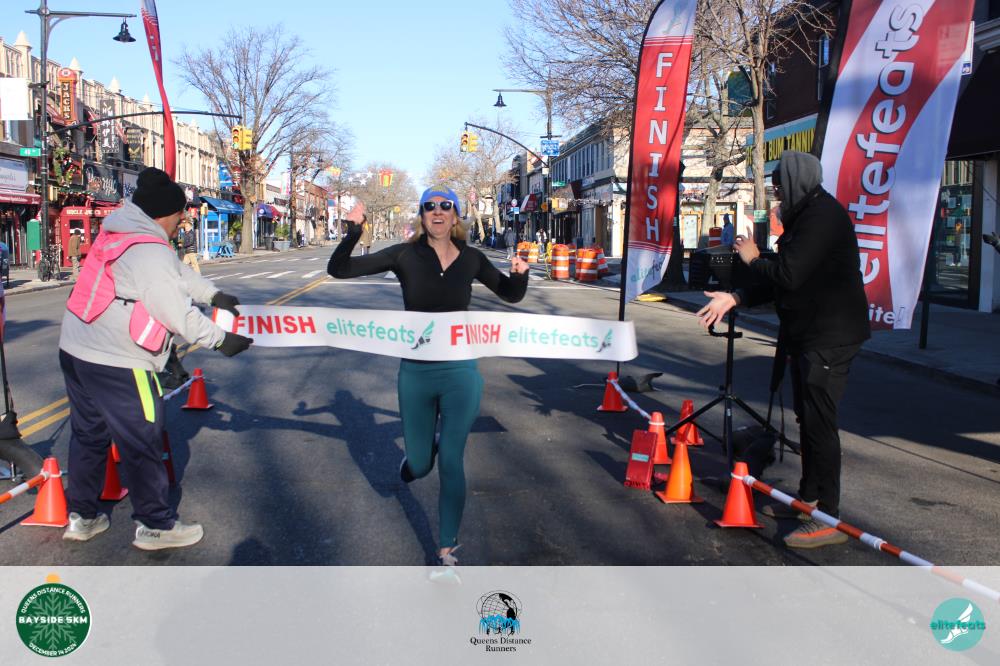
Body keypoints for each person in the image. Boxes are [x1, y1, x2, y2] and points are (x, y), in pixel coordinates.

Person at [328, 186, 529, 566]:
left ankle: (446, 548)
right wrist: (354, 231)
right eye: (430, 206)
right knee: (420, 465)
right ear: (422, 216)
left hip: (460, 373)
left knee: (451, 459)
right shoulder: (405, 255)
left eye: (445, 206)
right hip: (417, 373)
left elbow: (510, 293)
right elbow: (339, 270)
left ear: (455, 216)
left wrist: (520, 276)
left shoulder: (471, 258)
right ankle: (419, 458)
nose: (438, 211)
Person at [58, 167, 254, 550]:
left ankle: (83, 517)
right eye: (181, 213)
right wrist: (220, 340)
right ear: (164, 214)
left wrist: (213, 295)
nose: (184, 219)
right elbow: (174, 311)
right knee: (142, 440)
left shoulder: (121, 232)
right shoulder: (149, 251)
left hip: (76, 350)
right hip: (118, 360)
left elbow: (176, 272)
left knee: (89, 435)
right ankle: (155, 525)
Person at [696, 151, 870, 549]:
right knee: (806, 418)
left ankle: (828, 516)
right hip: (807, 333)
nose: (776, 190)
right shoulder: (804, 216)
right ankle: (808, 499)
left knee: (820, 423)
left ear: (797, 181)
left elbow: (787, 274)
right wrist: (736, 297)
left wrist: (754, 259)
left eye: (779, 183)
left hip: (831, 335)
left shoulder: (822, 217)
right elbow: (782, 278)